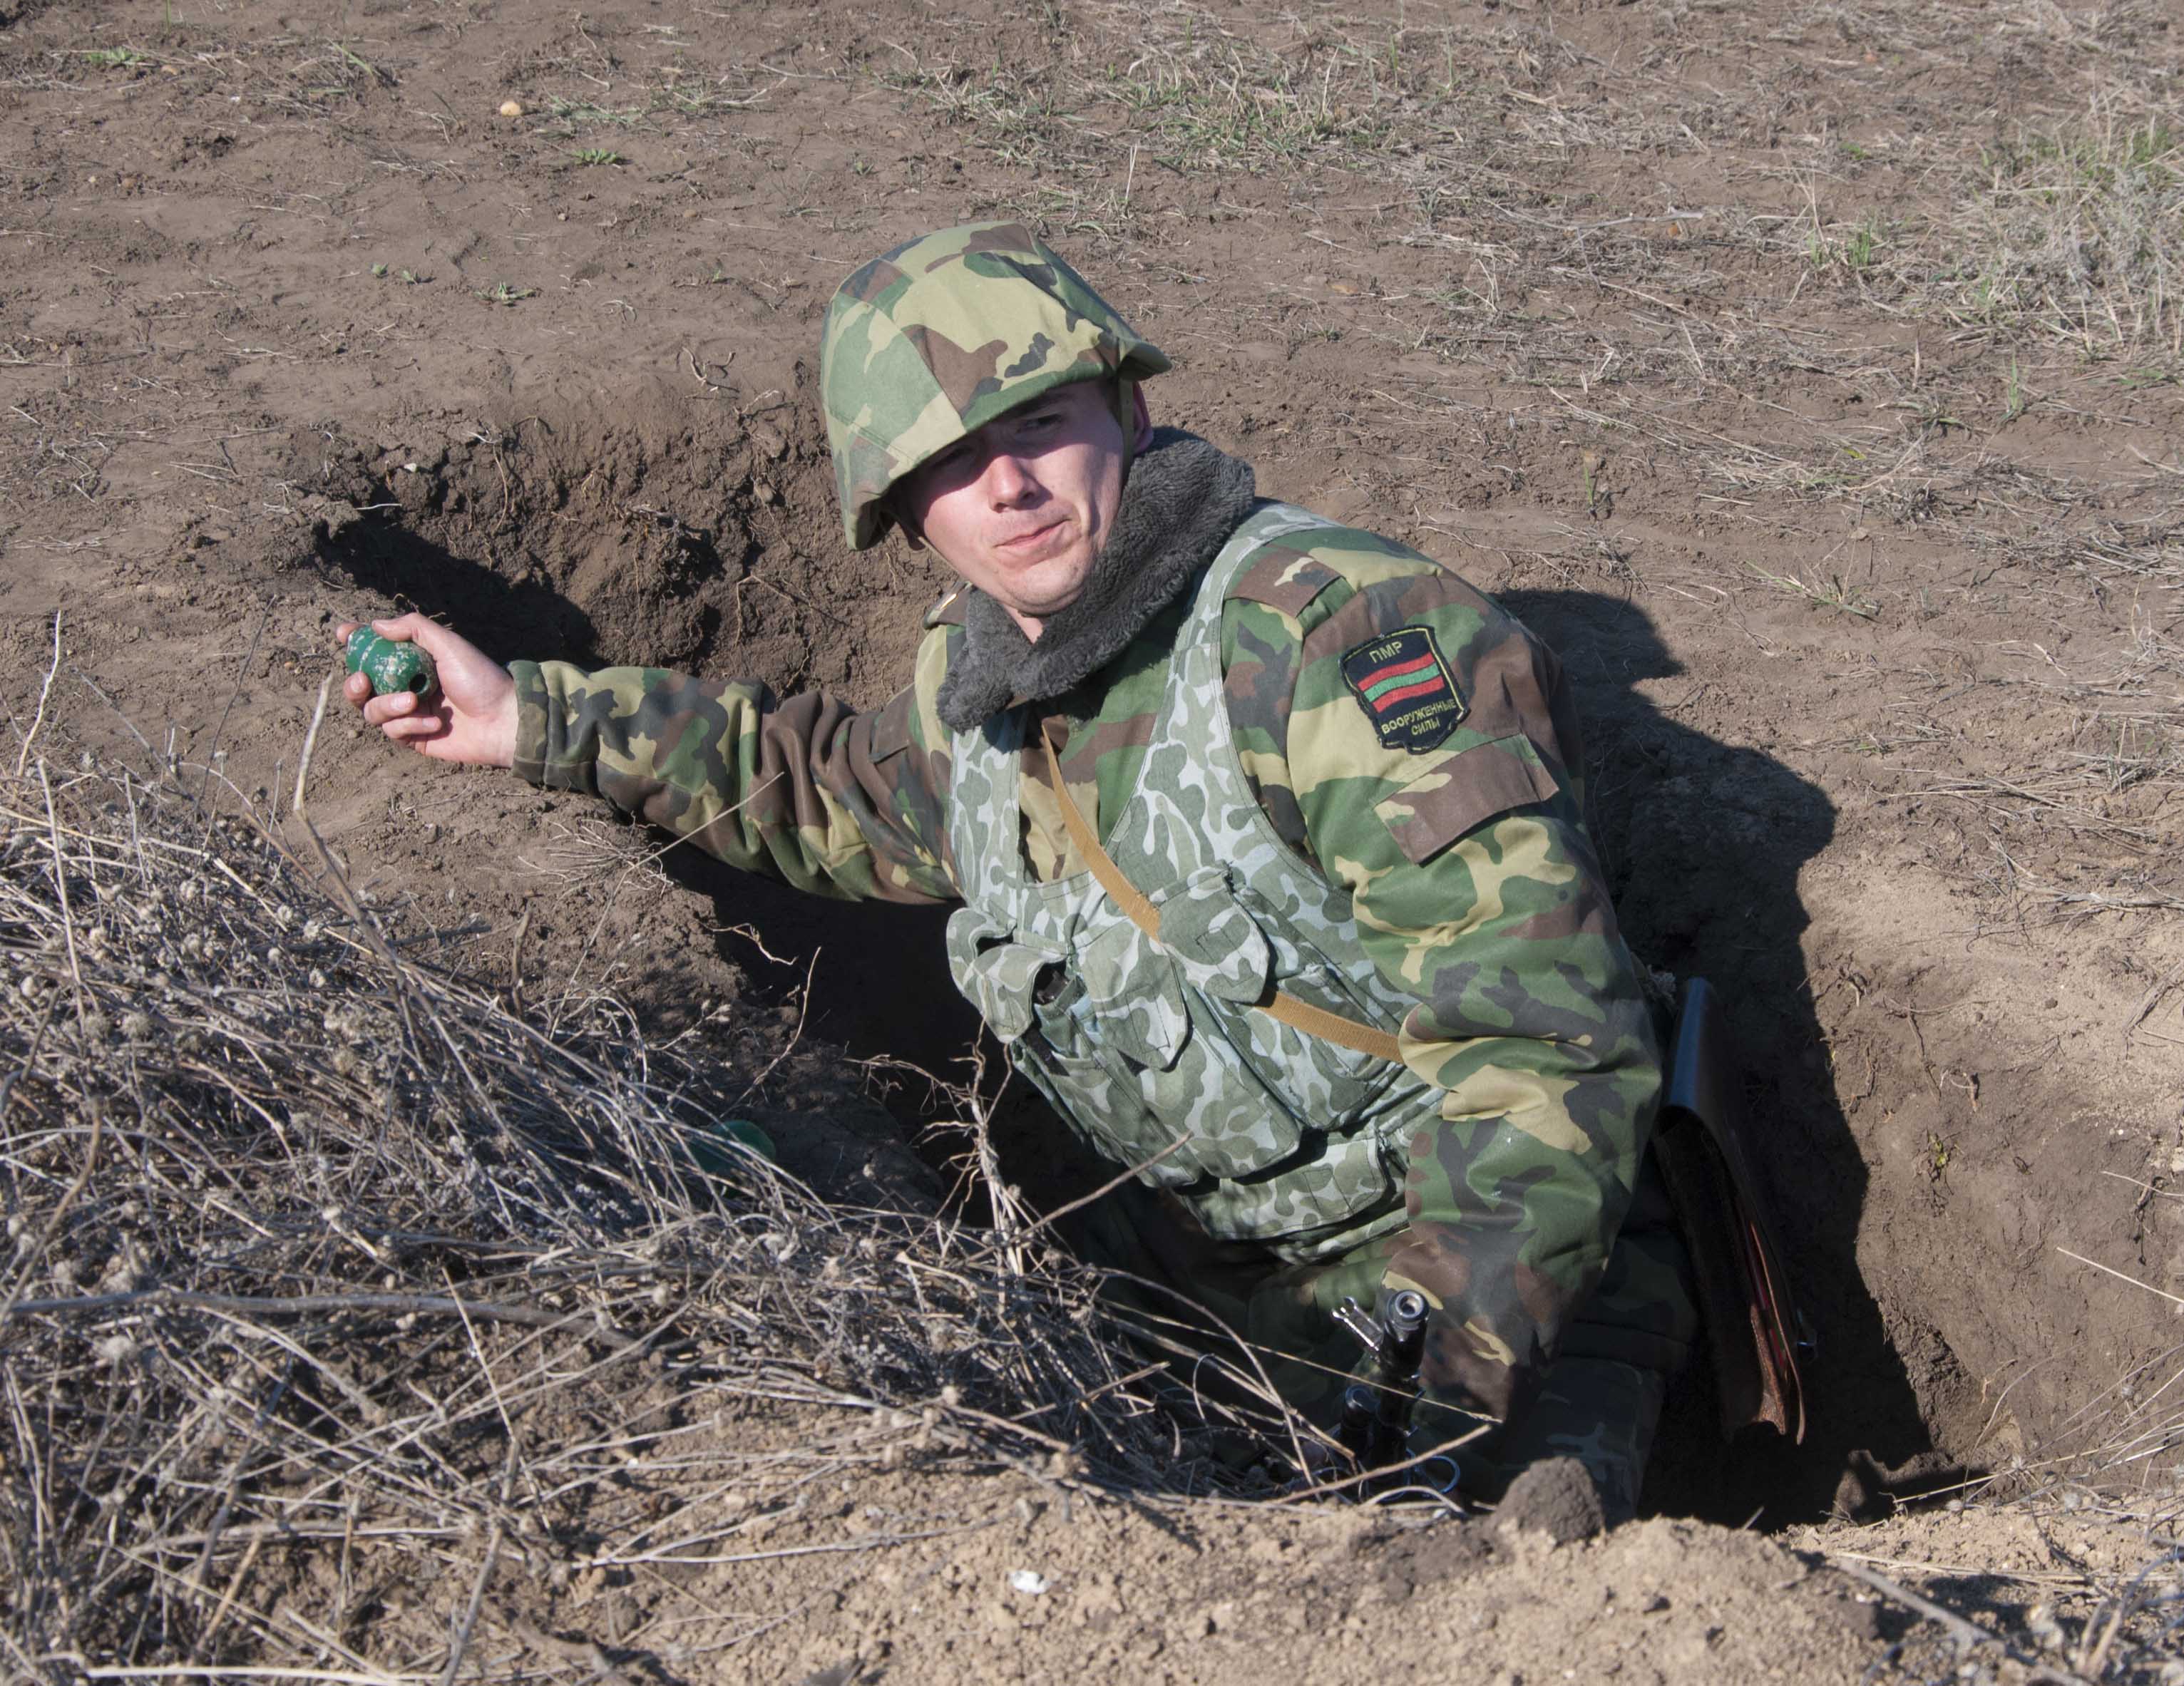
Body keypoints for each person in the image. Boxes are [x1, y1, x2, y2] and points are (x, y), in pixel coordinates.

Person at [340, 221, 1697, 1517]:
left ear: (1129, 412)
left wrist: (1426, 1391)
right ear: (904, 514)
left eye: (1041, 423)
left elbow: (1544, 1048)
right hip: (1201, 1303)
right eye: (953, 460)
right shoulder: (980, 681)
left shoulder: (1337, 644)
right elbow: (835, 788)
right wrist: (534, 719)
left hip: (1497, 1288)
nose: (1009, 487)